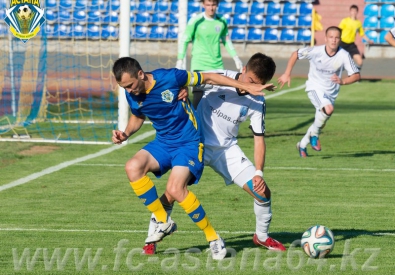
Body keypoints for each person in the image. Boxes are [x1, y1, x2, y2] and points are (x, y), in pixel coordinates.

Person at [112, 57, 274, 260]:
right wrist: (126, 133)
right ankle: (158, 228)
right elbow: (199, 78)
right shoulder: (134, 93)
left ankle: (255, 236)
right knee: (152, 179)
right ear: (243, 70)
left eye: (255, 84)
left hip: (215, 147)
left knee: (262, 193)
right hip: (179, 141)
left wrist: (259, 172)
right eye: (249, 80)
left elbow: (259, 139)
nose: (128, 90)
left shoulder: (257, 100)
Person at [277, 26, 360, 157]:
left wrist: (343, 81)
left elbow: (356, 75)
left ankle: (302, 144)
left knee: (319, 121)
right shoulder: (315, 51)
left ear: (340, 39)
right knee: (328, 109)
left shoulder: (344, 55)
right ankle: (315, 135)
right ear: (326, 38)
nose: (334, 40)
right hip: (314, 88)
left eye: (337, 37)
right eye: (331, 37)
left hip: (331, 94)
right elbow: (296, 54)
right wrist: (287, 73)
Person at [175, 0, 243, 109]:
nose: (211, 8)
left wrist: (236, 57)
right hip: (199, 66)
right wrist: (180, 60)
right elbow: (184, 40)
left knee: (218, 103)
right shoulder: (196, 21)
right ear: (203, 5)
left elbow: (226, 40)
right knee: (198, 102)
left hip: (217, 66)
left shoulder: (222, 20)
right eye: (208, 5)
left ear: (217, 5)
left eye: (213, 5)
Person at [338, 5, 374, 71]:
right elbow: (338, 31)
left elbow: (362, 34)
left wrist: (368, 40)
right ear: (350, 12)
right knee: (339, 63)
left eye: (355, 11)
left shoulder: (358, 23)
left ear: (357, 12)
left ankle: (356, 75)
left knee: (360, 62)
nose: (353, 12)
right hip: (342, 43)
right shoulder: (345, 21)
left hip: (351, 45)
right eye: (352, 11)